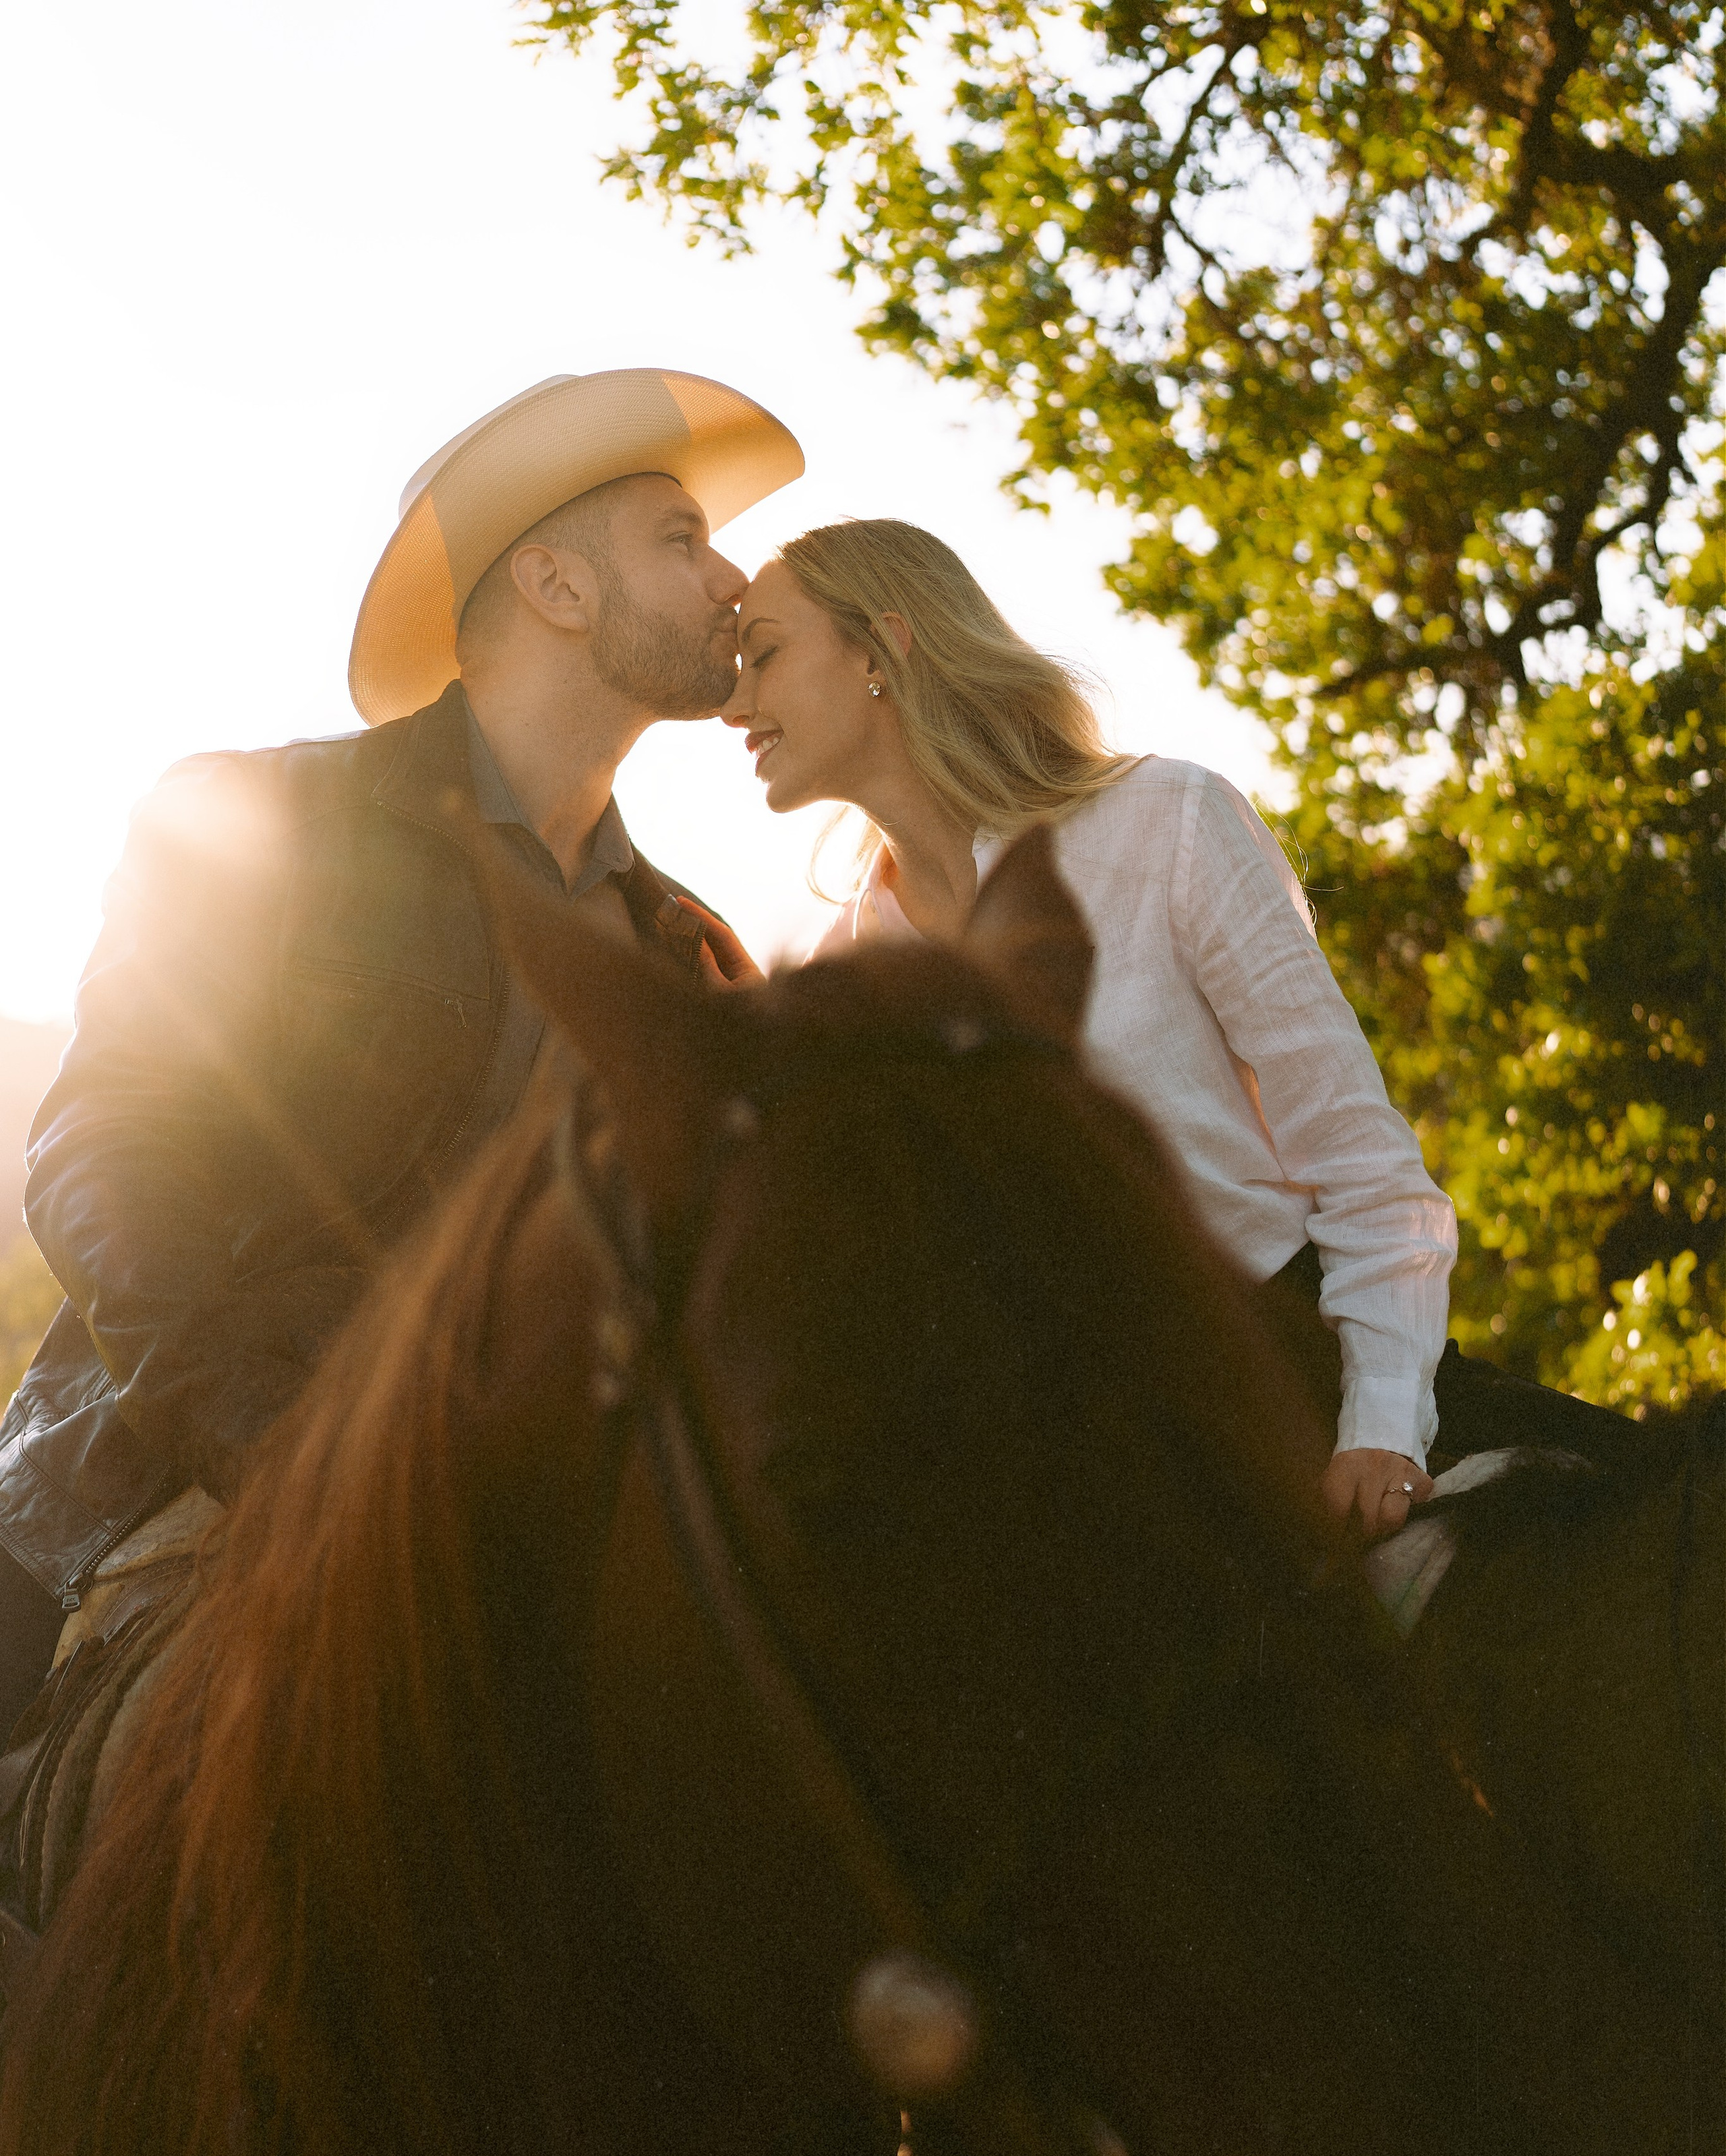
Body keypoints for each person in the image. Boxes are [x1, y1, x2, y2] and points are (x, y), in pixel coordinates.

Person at [0, 367, 803, 1738]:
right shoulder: (261, 818)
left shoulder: (689, 957)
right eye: (680, 539)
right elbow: (102, 1142)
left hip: (533, 1527)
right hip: (161, 1481)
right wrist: (276, 1437)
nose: (731, 579)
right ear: (554, 587)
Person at [723, 516, 1601, 1540]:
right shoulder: (848, 986)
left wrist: (1380, 1429)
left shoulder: (1168, 823)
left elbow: (1368, 1175)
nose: (736, 703)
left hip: (1318, 1397)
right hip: (1096, 1497)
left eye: (765, 654)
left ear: (881, 648)